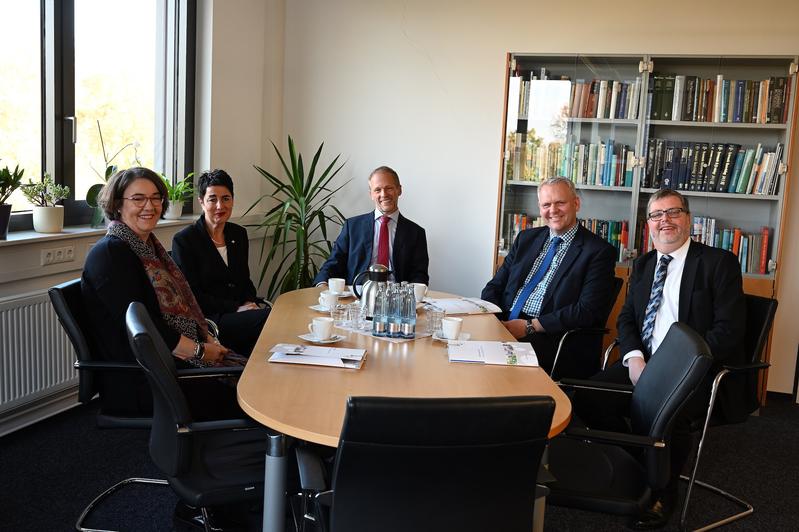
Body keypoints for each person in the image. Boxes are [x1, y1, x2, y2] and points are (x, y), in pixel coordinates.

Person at [574, 188, 746, 529]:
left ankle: (662, 491)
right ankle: (645, 461)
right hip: (644, 363)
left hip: (692, 369)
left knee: (669, 414)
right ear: (648, 224)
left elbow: (728, 330)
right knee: (589, 397)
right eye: (656, 214)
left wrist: (672, 366)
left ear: (688, 219)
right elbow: (626, 319)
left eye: (673, 212)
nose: (664, 220)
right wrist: (635, 357)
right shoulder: (644, 263)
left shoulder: (717, 262)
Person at [81, 167, 242, 417]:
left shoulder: (149, 250)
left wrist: (206, 340)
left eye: (156, 198)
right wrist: (200, 351)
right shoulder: (111, 254)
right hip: (145, 378)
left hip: (168, 365)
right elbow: (144, 329)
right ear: (117, 204)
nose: (150, 206)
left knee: (259, 378)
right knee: (255, 394)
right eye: (138, 199)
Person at [481, 176, 617, 378]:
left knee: (490, 370)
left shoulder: (598, 251)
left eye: (560, 203)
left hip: (550, 336)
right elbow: (494, 286)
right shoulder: (526, 239)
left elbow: (587, 310)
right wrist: (494, 319)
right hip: (505, 324)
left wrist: (530, 326)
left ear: (576, 203)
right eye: (546, 204)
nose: (553, 210)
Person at [171, 169, 269, 356]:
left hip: (241, 313)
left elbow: (245, 281)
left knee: (274, 317)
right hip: (211, 320)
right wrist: (237, 308)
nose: (219, 206)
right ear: (201, 202)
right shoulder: (185, 240)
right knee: (270, 320)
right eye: (212, 199)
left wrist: (249, 301)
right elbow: (192, 296)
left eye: (226, 198)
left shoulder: (238, 234)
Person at [313, 165, 429, 286]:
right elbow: (333, 263)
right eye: (377, 190)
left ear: (399, 190)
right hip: (358, 296)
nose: (383, 194)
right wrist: (322, 284)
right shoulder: (352, 227)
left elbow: (419, 275)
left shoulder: (416, 233)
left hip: (396, 298)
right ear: (371, 194)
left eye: (389, 188)